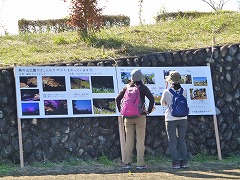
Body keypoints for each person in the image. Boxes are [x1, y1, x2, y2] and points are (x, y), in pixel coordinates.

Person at [116, 69, 154, 170]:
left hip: (127, 117)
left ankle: (127, 162)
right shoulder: (143, 88)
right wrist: (148, 111)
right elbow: (151, 99)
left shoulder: (127, 87)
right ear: (141, 78)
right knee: (140, 140)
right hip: (140, 116)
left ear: (132, 78)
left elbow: (117, 98)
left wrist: (121, 110)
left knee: (129, 140)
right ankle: (140, 164)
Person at [160, 71, 188, 169]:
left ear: (170, 81)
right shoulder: (184, 90)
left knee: (172, 141)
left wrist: (166, 88)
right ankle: (184, 162)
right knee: (182, 140)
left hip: (170, 118)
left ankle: (175, 163)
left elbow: (163, 103)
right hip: (183, 118)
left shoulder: (166, 91)